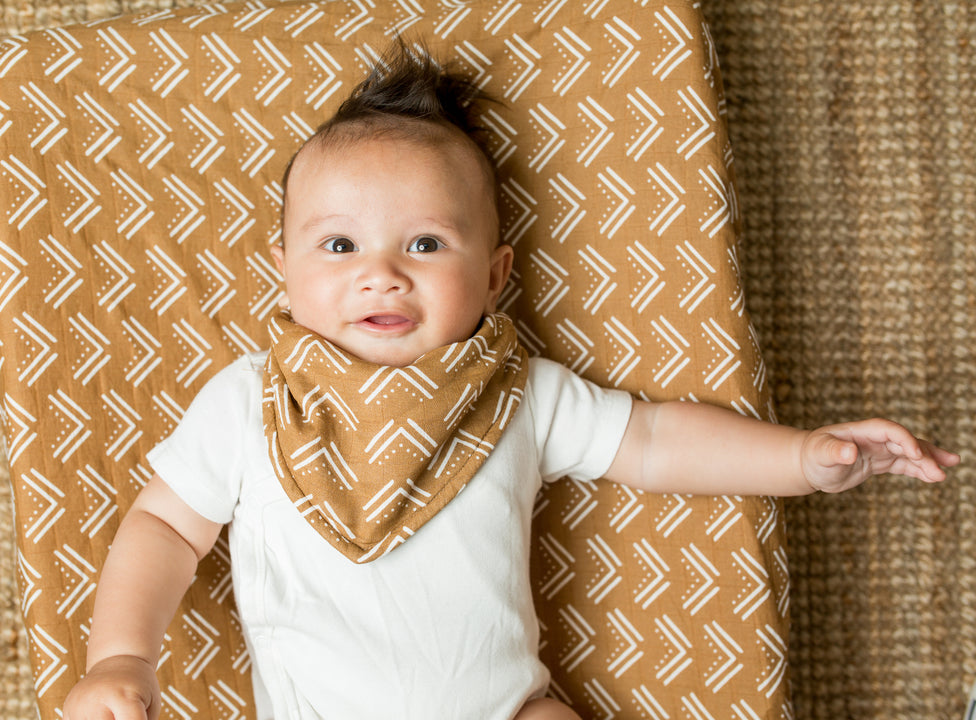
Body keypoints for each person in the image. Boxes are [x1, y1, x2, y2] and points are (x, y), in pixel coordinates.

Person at [62, 42, 959, 720]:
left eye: (424, 244)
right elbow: (164, 525)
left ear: (495, 277)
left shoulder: (518, 394)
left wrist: (803, 458)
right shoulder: (249, 400)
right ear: (284, 268)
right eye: (339, 245)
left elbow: (651, 440)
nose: (382, 273)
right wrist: (122, 658)